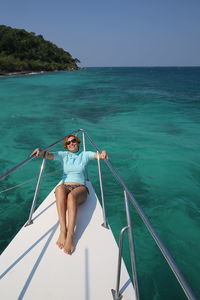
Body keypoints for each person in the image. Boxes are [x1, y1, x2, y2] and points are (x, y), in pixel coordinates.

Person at [31, 135, 108, 255]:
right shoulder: (63, 155)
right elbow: (48, 155)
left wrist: (103, 153)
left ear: (78, 142)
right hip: (65, 185)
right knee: (59, 189)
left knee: (71, 197)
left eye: (73, 141)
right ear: (66, 146)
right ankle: (63, 230)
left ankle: (70, 235)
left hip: (80, 187)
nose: (71, 143)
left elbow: (98, 156)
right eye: (68, 143)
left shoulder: (85, 154)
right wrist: (39, 151)